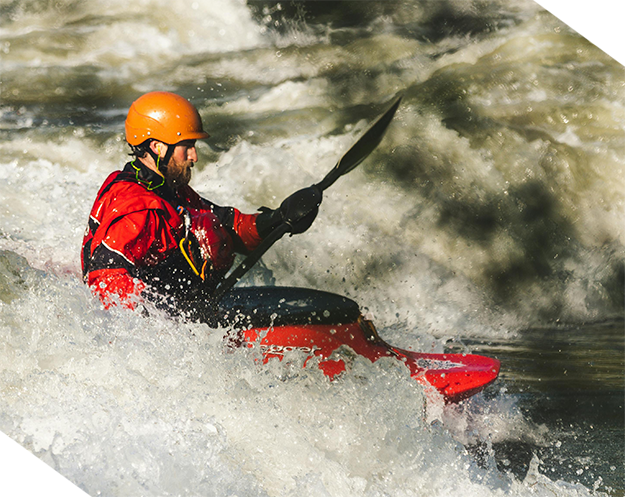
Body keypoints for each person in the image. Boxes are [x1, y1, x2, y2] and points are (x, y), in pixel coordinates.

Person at [81, 91, 321, 320]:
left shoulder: (168, 190)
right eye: (186, 147)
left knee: (208, 227)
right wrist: (174, 315)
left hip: (186, 308)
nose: (194, 156)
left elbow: (230, 225)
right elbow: (104, 281)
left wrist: (278, 220)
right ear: (157, 147)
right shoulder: (138, 209)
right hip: (158, 326)